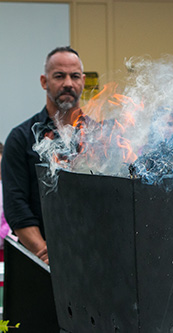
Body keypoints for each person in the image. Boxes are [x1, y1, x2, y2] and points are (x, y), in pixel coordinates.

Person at [1, 46, 86, 265]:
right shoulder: (21, 138)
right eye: (59, 76)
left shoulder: (101, 138)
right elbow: (15, 204)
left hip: (91, 258)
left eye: (74, 76)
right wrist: (45, 253)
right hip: (38, 262)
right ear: (44, 81)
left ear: (83, 81)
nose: (68, 82)